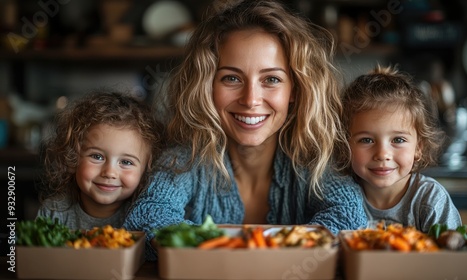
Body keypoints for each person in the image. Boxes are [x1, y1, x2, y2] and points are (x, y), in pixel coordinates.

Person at [123, 0, 368, 260]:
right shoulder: (186, 157)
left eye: (271, 79)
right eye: (232, 78)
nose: (251, 100)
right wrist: (242, 249)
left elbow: (349, 217)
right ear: (208, 85)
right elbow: (148, 216)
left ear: (294, 89)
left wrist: (257, 249)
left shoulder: (314, 158)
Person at [336, 65, 462, 233]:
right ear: (345, 144)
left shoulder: (430, 200)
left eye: (398, 140)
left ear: (418, 147)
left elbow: (452, 255)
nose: (382, 154)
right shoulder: (338, 195)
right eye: (366, 140)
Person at [36, 90, 163, 230]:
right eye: (97, 156)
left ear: (145, 171)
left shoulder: (146, 219)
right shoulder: (54, 213)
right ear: (72, 158)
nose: (110, 172)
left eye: (126, 162)